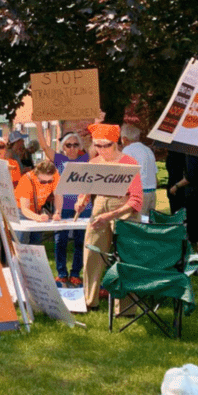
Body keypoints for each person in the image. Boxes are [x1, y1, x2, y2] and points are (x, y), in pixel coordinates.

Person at [76, 124, 143, 309]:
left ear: (116, 143)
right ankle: (90, 301)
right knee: (91, 253)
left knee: (126, 256)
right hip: (99, 206)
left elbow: (137, 200)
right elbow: (86, 191)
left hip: (124, 210)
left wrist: (112, 215)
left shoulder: (128, 162)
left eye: (106, 145)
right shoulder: (94, 163)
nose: (101, 150)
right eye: (97, 145)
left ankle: (126, 307)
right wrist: (81, 201)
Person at [36, 127, 89, 287]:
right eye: (68, 145)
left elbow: (96, 146)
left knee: (81, 241)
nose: (72, 148)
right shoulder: (59, 160)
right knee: (60, 241)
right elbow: (44, 147)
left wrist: (97, 123)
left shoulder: (85, 159)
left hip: (83, 208)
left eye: (75, 145)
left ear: (79, 147)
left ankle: (75, 274)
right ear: (63, 147)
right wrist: (38, 126)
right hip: (62, 207)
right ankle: (61, 274)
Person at [14, 159, 63, 247]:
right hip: (20, 211)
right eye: (43, 181)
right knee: (21, 243)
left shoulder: (55, 175)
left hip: (37, 210)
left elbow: (58, 195)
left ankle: (34, 260)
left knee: (36, 244)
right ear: (36, 175)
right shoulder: (26, 180)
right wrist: (38, 218)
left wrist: (57, 212)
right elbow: (24, 209)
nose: (46, 184)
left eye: (49, 181)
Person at [120, 124, 158, 216]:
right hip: (152, 191)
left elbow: (125, 174)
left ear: (124, 139)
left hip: (139, 193)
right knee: (147, 224)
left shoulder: (127, 150)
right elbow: (155, 174)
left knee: (135, 224)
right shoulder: (148, 150)